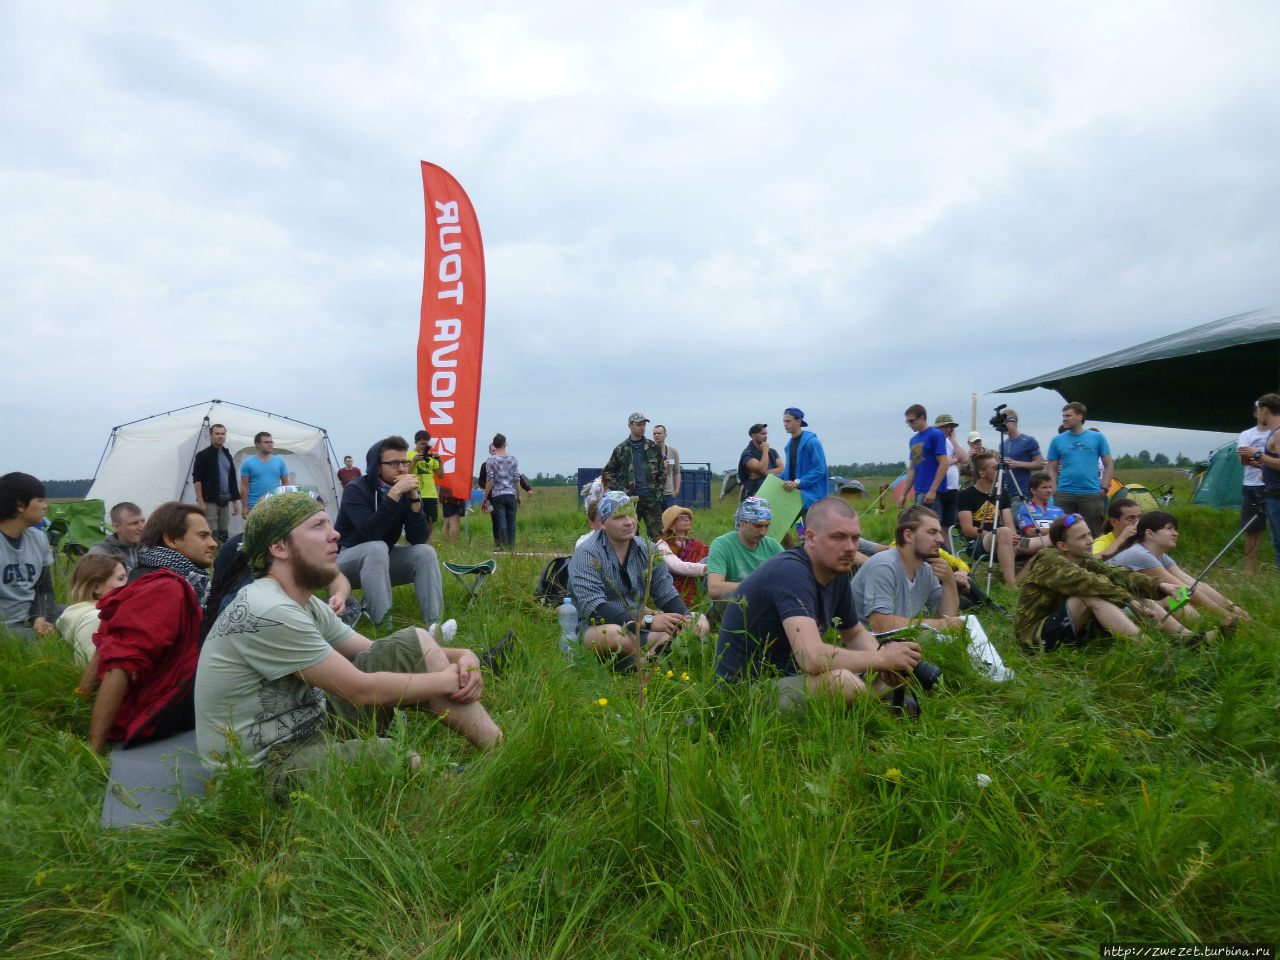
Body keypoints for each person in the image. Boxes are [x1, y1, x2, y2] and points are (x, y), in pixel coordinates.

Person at [196, 492, 500, 796]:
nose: (335, 534)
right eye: (318, 526)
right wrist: (447, 679)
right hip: (264, 769)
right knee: (393, 756)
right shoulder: (268, 609)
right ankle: (466, 787)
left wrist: (463, 654)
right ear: (279, 547)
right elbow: (361, 690)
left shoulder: (303, 603)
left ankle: (499, 753)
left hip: (309, 726)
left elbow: (374, 651)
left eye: (329, 523)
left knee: (415, 642)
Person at [714, 496, 921, 709]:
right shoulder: (791, 572)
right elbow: (811, 657)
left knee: (891, 677)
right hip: (743, 692)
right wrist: (881, 659)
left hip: (789, 678)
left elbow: (854, 634)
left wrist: (891, 663)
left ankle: (873, 702)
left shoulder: (836, 570)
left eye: (855, 538)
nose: (850, 548)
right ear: (811, 538)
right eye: (838, 537)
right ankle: (876, 706)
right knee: (842, 682)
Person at [87, 502, 218, 752]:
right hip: (157, 714)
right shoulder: (165, 587)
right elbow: (121, 663)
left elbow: (105, 645)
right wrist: (93, 749)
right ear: (171, 540)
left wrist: (79, 696)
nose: (213, 543)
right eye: (203, 536)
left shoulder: (152, 574)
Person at [851, 505, 1013, 680]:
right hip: (865, 645)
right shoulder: (884, 566)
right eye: (932, 532)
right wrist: (939, 625)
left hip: (896, 638)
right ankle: (986, 674)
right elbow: (880, 623)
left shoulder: (924, 569)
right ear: (908, 535)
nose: (940, 539)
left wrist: (950, 581)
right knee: (951, 631)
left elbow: (946, 616)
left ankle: (990, 672)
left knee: (966, 623)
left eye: (939, 532)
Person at [1015, 513, 1217, 652]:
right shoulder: (1049, 559)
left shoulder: (1084, 560)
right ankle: (1154, 653)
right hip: (1035, 638)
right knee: (1091, 595)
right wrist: (1128, 601)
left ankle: (1187, 639)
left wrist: (1160, 586)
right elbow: (1088, 582)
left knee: (1127, 588)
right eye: (1082, 537)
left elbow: (1119, 574)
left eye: (1089, 534)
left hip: (1069, 628)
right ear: (1062, 545)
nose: (1090, 540)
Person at [568, 493, 708, 669]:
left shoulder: (647, 549)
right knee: (615, 636)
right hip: (595, 628)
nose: (629, 522)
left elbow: (666, 595)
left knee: (699, 620)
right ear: (603, 523)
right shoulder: (586, 553)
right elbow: (596, 608)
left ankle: (642, 661)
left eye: (631, 514)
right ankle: (646, 660)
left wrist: (685, 621)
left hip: (641, 630)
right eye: (619, 517)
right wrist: (648, 621)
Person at [335, 436, 443, 629]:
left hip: (382, 558)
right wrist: (394, 494)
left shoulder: (402, 490)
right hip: (345, 562)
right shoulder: (356, 490)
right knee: (376, 547)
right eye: (394, 463)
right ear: (377, 466)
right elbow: (371, 531)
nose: (402, 468)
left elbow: (417, 538)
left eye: (404, 462)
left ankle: (434, 626)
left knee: (425, 552)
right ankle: (385, 628)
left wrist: (413, 498)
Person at [1108, 512, 1248, 621]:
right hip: (1116, 605)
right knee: (1185, 608)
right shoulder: (1139, 554)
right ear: (1150, 534)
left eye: (1175, 529)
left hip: (1135, 600)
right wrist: (1224, 615)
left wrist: (1233, 608)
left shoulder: (1159, 555)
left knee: (1187, 603)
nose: (1176, 533)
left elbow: (1192, 583)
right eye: (1169, 529)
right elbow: (1183, 590)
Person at [0, 472, 58, 639]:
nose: (45, 506)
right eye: (40, 500)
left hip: (30, 615)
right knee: (36, 642)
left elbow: (44, 588)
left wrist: (39, 617)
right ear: (20, 505)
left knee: (79, 616)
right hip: (5, 624)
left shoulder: (38, 538)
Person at [1045, 402, 1112, 535]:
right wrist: (1054, 488)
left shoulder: (1097, 437)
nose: (1064, 419)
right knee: (1064, 531)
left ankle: (1092, 556)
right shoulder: (1057, 440)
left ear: (1080, 416)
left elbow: (1108, 464)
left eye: (1068, 416)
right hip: (1064, 493)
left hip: (1091, 493)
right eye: (1063, 416)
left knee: (1092, 532)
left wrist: (1104, 487)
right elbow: (1051, 467)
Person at [956, 451, 1019, 588]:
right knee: (1004, 532)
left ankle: (1020, 579)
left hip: (1004, 538)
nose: (1000, 470)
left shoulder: (1001, 492)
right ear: (982, 473)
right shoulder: (965, 495)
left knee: (1047, 540)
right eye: (995, 468)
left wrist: (1013, 536)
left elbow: (1009, 522)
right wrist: (997, 534)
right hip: (978, 542)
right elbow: (968, 530)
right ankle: (1012, 585)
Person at [705, 497, 785, 600]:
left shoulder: (772, 545)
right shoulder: (722, 545)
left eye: (766, 526)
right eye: (757, 526)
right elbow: (714, 589)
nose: (763, 532)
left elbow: (791, 575)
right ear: (741, 522)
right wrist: (757, 586)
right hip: (734, 606)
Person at [603, 413, 666, 540]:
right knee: (630, 538)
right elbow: (608, 472)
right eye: (638, 425)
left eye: (643, 425)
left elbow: (662, 472)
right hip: (631, 502)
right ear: (630, 426)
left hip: (652, 501)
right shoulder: (621, 449)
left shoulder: (653, 447)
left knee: (659, 538)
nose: (642, 428)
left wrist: (658, 492)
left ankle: (660, 560)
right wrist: (621, 491)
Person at [57, 553, 127, 668]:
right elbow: (90, 669)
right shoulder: (95, 618)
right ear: (97, 587)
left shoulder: (89, 614)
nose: (127, 584)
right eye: (121, 578)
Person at [1237, 394, 1280, 574]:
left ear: (1264, 410)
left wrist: (1257, 455)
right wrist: (1264, 468)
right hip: (1268, 488)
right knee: (1274, 540)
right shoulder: (1270, 433)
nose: (1257, 413)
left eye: (1259, 409)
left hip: (1277, 494)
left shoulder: (1277, 434)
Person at [193, 423, 242, 540]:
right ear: (211, 436)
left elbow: (232, 478)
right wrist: (201, 501)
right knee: (211, 532)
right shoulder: (203, 455)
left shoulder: (227, 455)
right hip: (209, 500)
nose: (220, 436)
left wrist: (235, 500)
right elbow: (197, 480)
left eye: (222, 434)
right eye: (217, 434)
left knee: (224, 533)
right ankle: (210, 557)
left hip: (225, 500)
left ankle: (222, 557)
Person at [656, 506, 708, 606]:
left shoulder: (695, 544)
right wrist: (706, 568)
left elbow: (711, 555)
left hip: (699, 583)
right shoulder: (662, 545)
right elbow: (676, 566)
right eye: (681, 517)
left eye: (688, 516)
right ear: (671, 525)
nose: (686, 519)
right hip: (674, 589)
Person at [898, 404, 948, 509]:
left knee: (931, 525)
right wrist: (903, 494)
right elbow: (912, 469)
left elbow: (943, 463)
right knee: (919, 524)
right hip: (919, 490)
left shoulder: (935, 434)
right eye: (908, 422)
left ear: (922, 417)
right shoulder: (913, 440)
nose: (910, 424)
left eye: (912, 421)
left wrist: (933, 490)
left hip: (932, 491)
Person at [780, 407, 828, 514]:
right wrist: (776, 477)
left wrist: (797, 482)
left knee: (811, 529)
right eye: (784, 421)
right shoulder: (789, 445)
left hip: (812, 499)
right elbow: (791, 472)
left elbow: (819, 470)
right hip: (794, 497)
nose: (785, 424)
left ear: (798, 421)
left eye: (788, 421)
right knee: (798, 529)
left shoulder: (812, 442)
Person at [995, 409, 1044, 510]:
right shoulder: (1003, 444)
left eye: (1006, 422)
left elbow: (1040, 464)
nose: (1003, 425)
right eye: (1002, 422)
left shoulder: (1029, 441)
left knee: (1018, 521)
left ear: (1015, 422)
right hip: (1007, 491)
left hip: (1023, 491)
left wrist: (1018, 464)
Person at [480, 433, 520, 551]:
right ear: (504, 444)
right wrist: (519, 495)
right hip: (510, 493)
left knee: (501, 521)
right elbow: (516, 478)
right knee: (512, 521)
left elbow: (490, 480)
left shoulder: (490, 460)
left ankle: (503, 547)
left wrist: (485, 497)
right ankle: (511, 546)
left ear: (495, 445)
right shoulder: (513, 459)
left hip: (497, 494)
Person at [1015, 472, 1066, 554]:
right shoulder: (1024, 508)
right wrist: (1056, 531)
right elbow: (1030, 533)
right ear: (1033, 490)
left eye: (1050, 487)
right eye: (1044, 487)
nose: (1049, 491)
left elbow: (1068, 528)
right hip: (1028, 544)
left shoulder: (1058, 510)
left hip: (1054, 544)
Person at [240, 432, 292, 511]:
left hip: (275, 505)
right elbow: (244, 486)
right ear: (258, 444)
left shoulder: (280, 462)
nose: (270, 444)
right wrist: (244, 507)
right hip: (254, 505)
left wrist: (287, 503)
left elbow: (286, 484)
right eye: (266, 442)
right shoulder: (247, 463)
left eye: (271, 442)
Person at [932, 414, 967, 531]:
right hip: (938, 489)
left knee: (948, 525)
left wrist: (954, 440)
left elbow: (965, 459)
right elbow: (942, 462)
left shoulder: (951, 443)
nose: (948, 430)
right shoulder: (934, 442)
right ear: (937, 428)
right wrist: (955, 459)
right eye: (945, 427)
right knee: (936, 524)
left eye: (950, 427)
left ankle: (947, 549)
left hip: (953, 488)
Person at [87, 502, 147, 570]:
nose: (142, 527)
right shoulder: (101, 554)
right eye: (134, 523)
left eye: (143, 521)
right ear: (116, 527)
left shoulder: (151, 546)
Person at [410, 431, 444, 541]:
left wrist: (440, 462)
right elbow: (405, 473)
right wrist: (414, 461)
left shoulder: (431, 456)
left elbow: (440, 476)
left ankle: (429, 548)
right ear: (416, 442)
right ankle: (415, 546)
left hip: (430, 494)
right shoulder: (409, 454)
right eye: (422, 444)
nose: (425, 446)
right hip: (414, 493)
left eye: (427, 444)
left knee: (430, 525)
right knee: (414, 523)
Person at [737, 423, 783, 501]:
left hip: (773, 493)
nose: (766, 436)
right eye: (762, 434)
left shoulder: (772, 452)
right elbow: (761, 469)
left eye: (766, 433)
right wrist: (765, 450)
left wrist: (764, 474)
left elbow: (782, 469)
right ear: (753, 436)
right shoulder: (747, 454)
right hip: (754, 496)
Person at [652, 424, 681, 511]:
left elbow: (677, 472)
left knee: (669, 521)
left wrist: (676, 490)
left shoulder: (673, 451)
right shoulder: (648, 452)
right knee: (655, 522)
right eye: (654, 434)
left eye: (659, 433)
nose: (656, 435)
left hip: (668, 494)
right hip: (654, 493)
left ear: (665, 435)